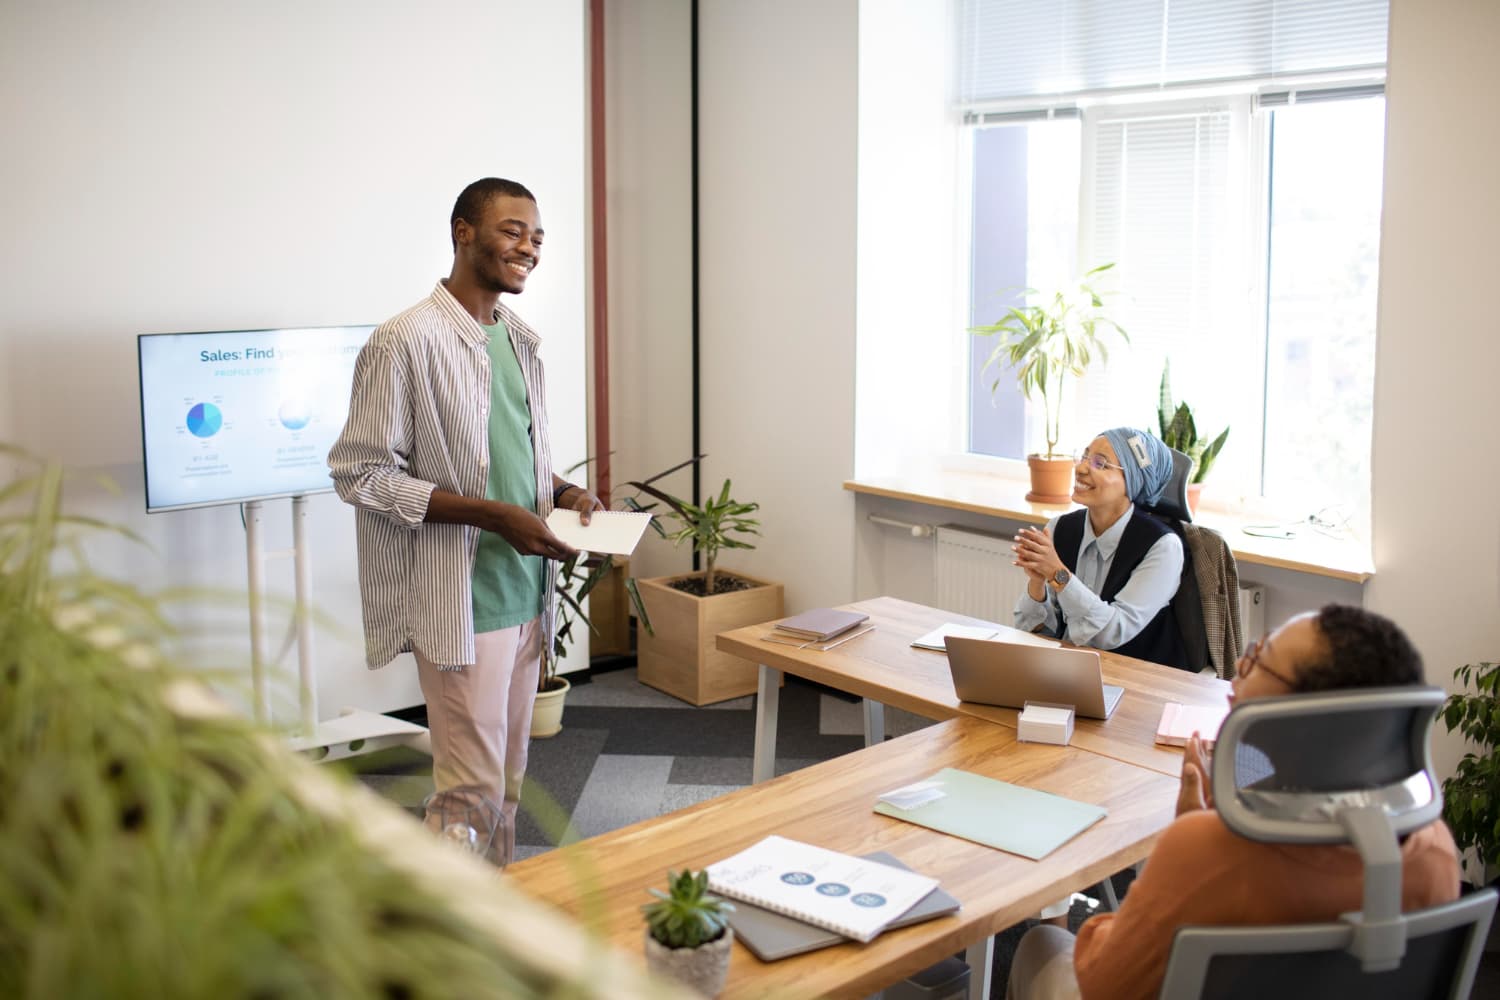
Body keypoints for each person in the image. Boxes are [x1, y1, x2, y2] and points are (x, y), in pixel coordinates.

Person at [329, 177, 602, 865]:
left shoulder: (519, 340)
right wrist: (492, 516)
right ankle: (441, 920)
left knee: (507, 782)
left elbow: (516, 458)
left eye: (537, 237)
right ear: (463, 232)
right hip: (462, 603)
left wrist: (566, 493)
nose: (529, 247)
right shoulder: (403, 340)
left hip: (526, 595)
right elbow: (360, 474)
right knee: (469, 793)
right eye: (512, 230)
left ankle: (494, 901)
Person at [1006, 605, 1461, 1000]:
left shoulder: (1211, 850)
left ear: (1303, 719)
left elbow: (1105, 984)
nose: (1239, 667)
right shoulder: (1435, 850)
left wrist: (1183, 848)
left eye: (1259, 660)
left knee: (1041, 943)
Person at [1012, 427, 1188, 671]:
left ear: (1133, 480)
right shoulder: (1059, 528)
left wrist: (1057, 574)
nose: (1081, 468)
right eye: (1084, 456)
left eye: (1100, 463)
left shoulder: (1163, 547)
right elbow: (1034, 632)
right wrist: (1037, 583)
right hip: (1070, 671)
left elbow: (1111, 633)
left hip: (1136, 677)